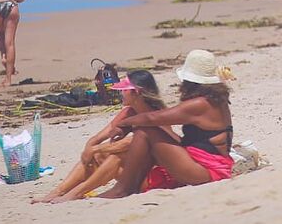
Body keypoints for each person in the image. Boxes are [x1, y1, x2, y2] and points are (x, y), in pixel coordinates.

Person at [98, 49, 234, 199]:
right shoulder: (215, 100)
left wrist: (124, 125)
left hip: (207, 170)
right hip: (211, 164)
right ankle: (131, 187)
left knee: (146, 130)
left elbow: (153, 118)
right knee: (149, 131)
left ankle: (122, 189)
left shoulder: (200, 104)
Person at [33, 70, 172, 203]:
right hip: (137, 174)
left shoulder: (158, 115)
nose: (120, 93)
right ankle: (58, 192)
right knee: (99, 156)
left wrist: (96, 149)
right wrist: (90, 148)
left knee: (116, 156)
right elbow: (98, 137)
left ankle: (77, 193)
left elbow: (131, 143)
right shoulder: (130, 112)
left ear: (137, 93)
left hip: (155, 178)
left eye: (124, 90)